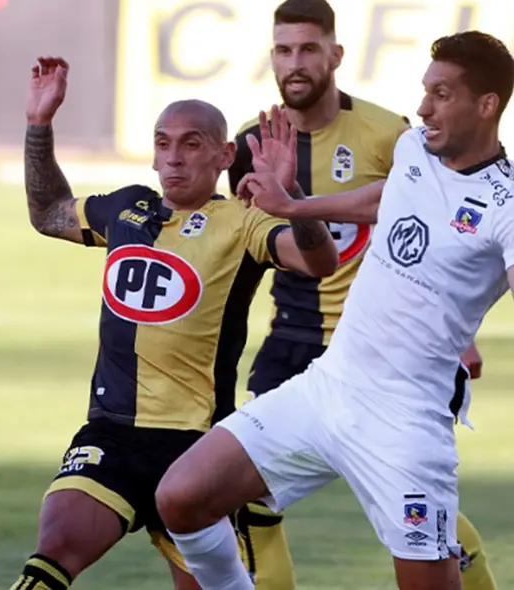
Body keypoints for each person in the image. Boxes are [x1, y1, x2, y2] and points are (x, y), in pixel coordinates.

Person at [156, 30, 514, 590]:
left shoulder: (505, 205)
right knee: (181, 497)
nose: (423, 107)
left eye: (441, 94)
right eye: (425, 91)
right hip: (328, 386)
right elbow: (386, 196)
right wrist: (295, 204)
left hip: (406, 420)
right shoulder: (415, 147)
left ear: (487, 104)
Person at [6, 56, 337, 590]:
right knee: (52, 554)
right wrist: (39, 125)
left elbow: (321, 263)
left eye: (192, 143)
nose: (174, 159)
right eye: (164, 144)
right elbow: (48, 213)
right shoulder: (125, 210)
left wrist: (293, 201)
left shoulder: (244, 223)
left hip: (197, 448)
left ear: (224, 154)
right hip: (111, 433)